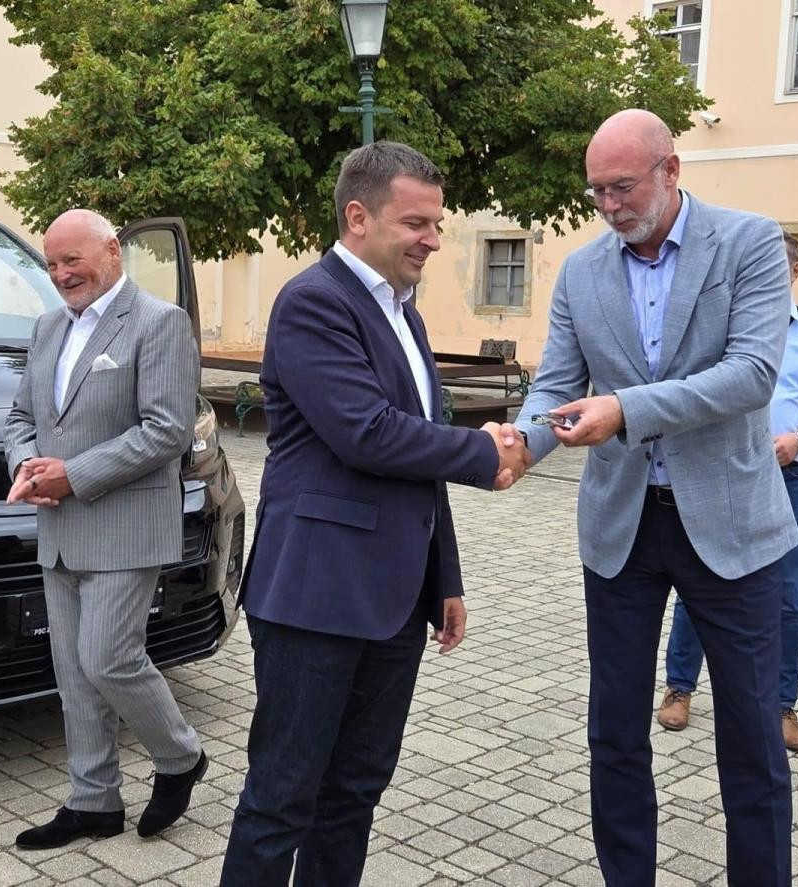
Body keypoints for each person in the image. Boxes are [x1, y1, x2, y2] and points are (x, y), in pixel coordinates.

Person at [220, 141, 524, 886]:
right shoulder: (313, 302)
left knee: (354, 792)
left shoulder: (402, 315)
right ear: (358, 217)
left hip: (394, 602)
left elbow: (415, 461)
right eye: (416, 223)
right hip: (316, 597)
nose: (433, 239)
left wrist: (444, 578)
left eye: (437, 223)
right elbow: (367, 433)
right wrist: (482, 451)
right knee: (281, 799)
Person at [509, 108, 798, 886]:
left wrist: (626, 409)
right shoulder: (581, 272)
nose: (609, 205)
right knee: (614, 732)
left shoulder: (749, 242)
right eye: (597, 191)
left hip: (731, 527)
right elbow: (557, 386)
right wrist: (516, 448)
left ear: (671, 170)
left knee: (751, 736)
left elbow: (751, 375)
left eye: (622, 186)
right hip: (622, 529)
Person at [6, 209, 209, 848]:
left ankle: (180, 756)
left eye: (73, 259)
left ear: (113, 251)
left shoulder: (159, 322)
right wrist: (26, 466)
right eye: (52, 263)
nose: (62, 274)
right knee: (73, 674)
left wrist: (73, 474)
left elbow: (167, 429)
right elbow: (20, 418)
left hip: (125, 527)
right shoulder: (47, 328)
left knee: (109, 658)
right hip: (59, 529)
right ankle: (93, 801)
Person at [657, 231, 798, 753]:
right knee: (702, 577)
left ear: (795, 272)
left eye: (777, 267)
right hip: (718, 473)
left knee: (788, 594)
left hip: (787, 477)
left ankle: (781, 704)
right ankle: (679, 687)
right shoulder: (717, 329)